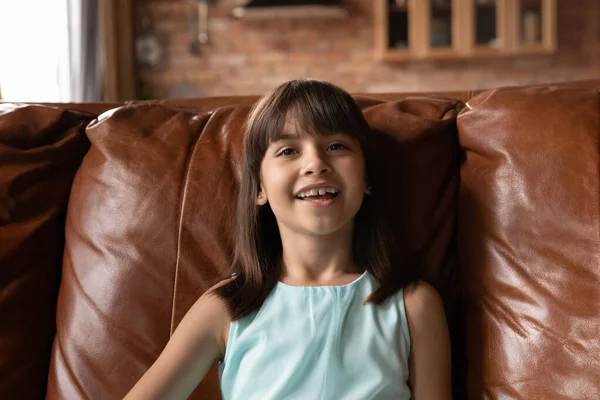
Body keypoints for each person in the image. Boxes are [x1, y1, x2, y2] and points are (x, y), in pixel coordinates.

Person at [124, 79, 451, 400]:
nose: (316, 164)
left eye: (336, 146)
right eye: (288, 150)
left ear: (366, 177)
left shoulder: (414, 305)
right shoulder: (226, 307)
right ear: (260, 188)